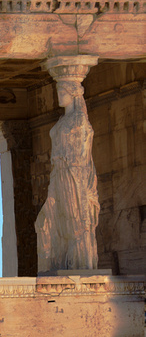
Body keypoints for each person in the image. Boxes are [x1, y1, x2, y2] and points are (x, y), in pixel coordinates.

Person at [36, 80, 100, 272]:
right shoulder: (62, 121)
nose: (59, 95)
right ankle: (60, 262)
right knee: (49, 217)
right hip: (59, 174)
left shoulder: (79, 119)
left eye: (62, 92)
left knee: (75, 219)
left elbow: (83, 151)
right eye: (58, 91)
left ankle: (80, 264)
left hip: (74, 175)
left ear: (72, 94)